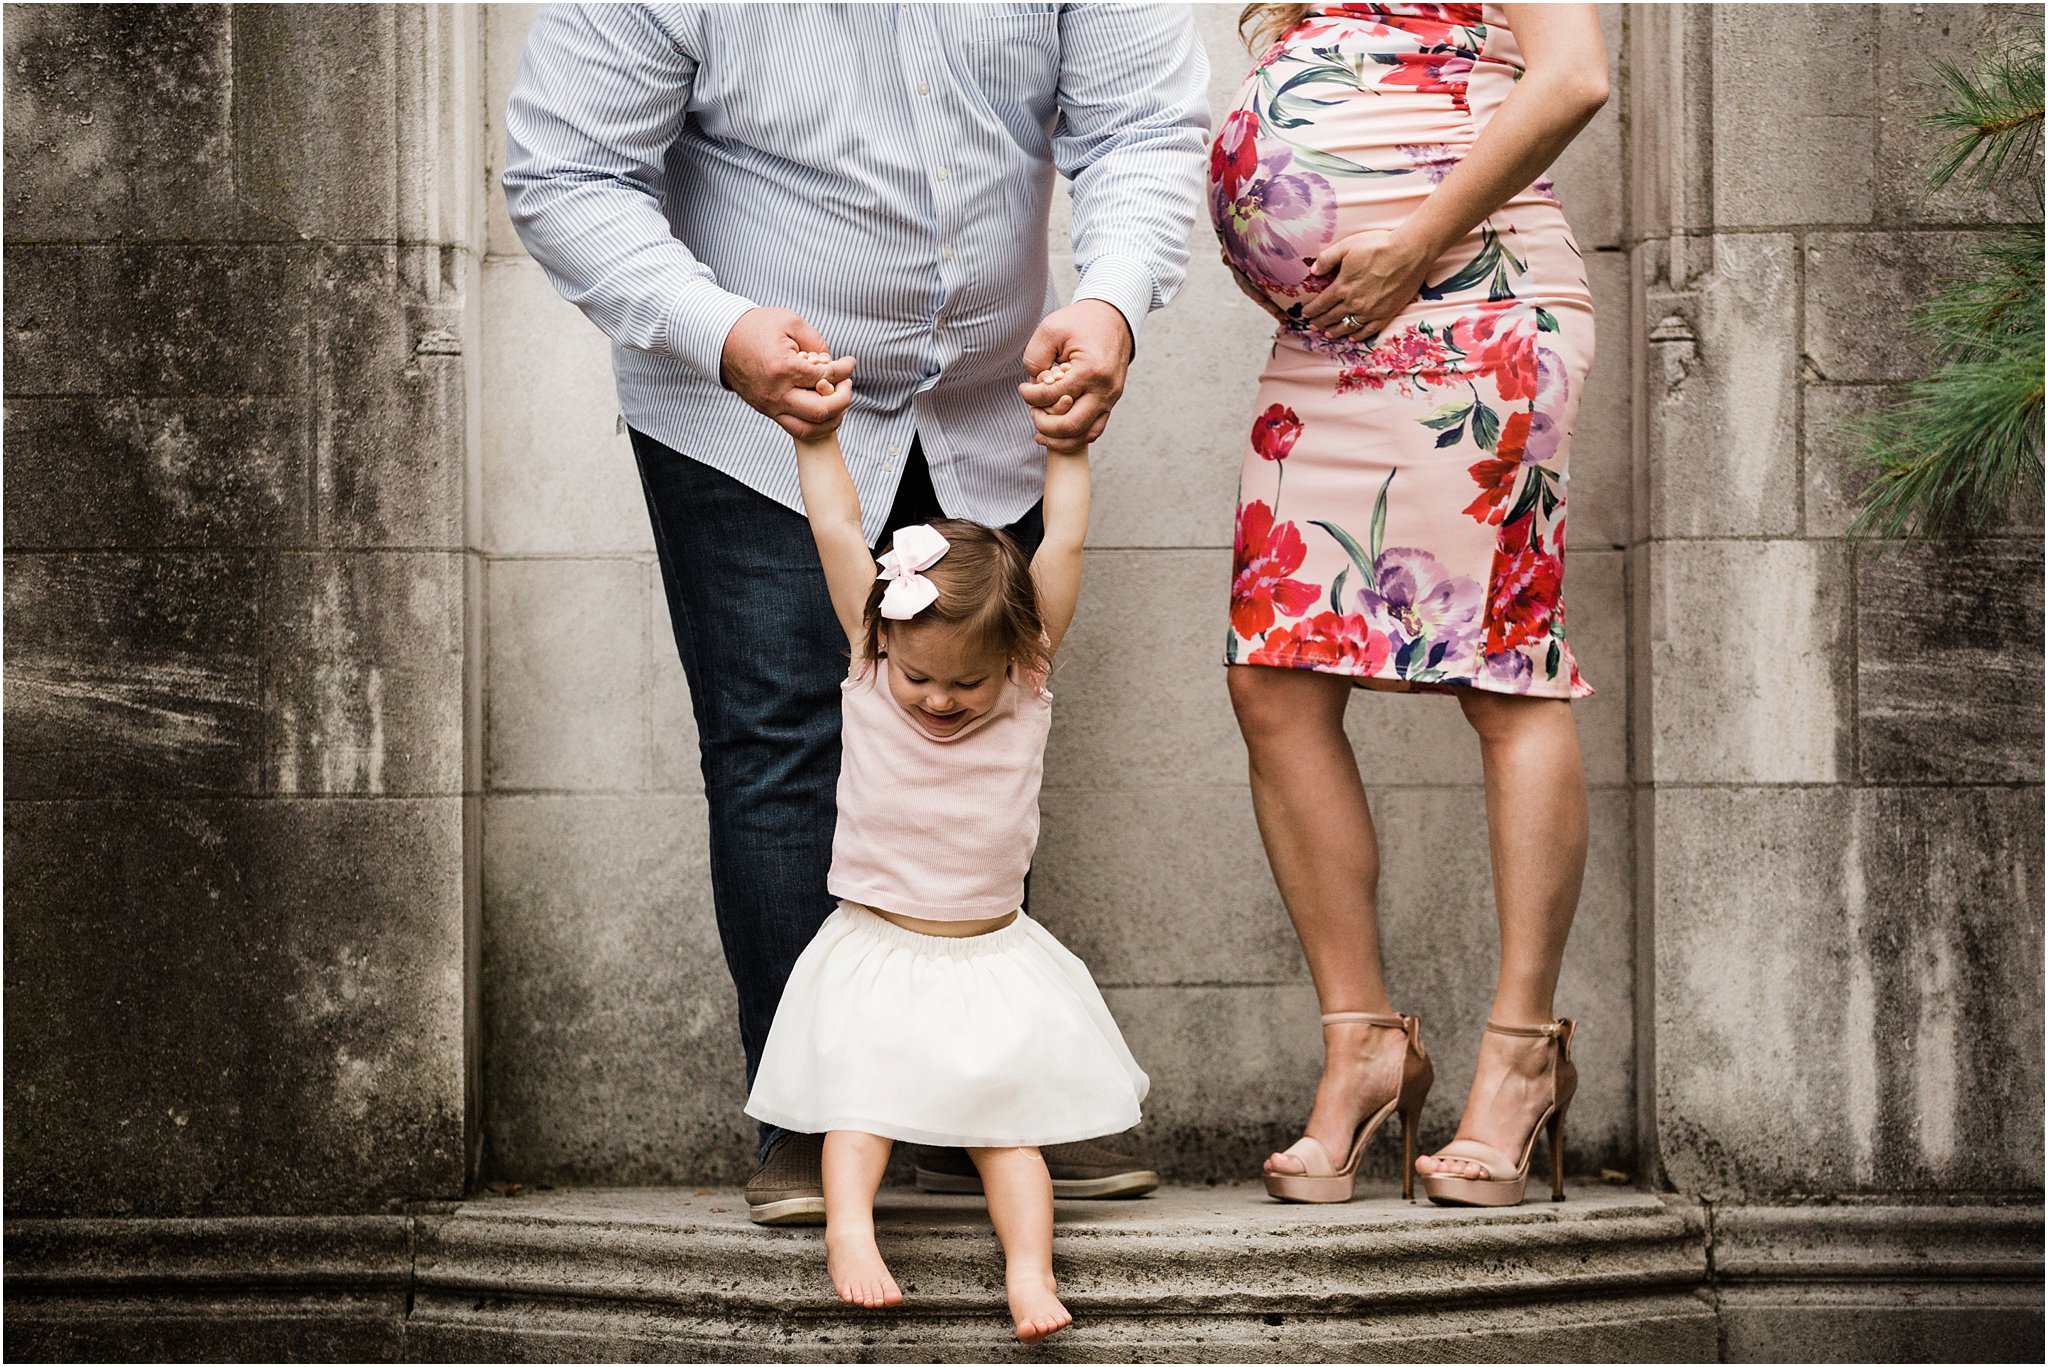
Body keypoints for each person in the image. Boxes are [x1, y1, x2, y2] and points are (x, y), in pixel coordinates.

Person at [501, 4, 1210, 1222]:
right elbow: (566, 173)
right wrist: (719, 330)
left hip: (993, 399)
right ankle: (814, 1114)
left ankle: (988, 1104)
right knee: (779, 747)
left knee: (969, 721)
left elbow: (1143, 125)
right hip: (743, 410)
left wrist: (1112, 300)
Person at [1209, 3, 1607, 1205]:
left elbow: (1572, 78)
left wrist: (1404, 244)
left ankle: (1519, 1056)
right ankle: (1363, 1042)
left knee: (1502, 670)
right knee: (1271, 673)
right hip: (1336, 335)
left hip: (1474, 305)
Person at [741, 355, 1144, 1344]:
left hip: (989, 954)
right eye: (920, 675)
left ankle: (1029, 1271)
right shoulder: (874, 664)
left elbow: (1068, 545)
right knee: (858, 1109)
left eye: (963, 683)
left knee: (1010, 1135)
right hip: (877, 944)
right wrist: (819, 441)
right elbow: (841, 530)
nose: (936, 697)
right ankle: (850, 1231)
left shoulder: (1025, 684)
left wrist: (1068, 455)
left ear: (1012, 660)